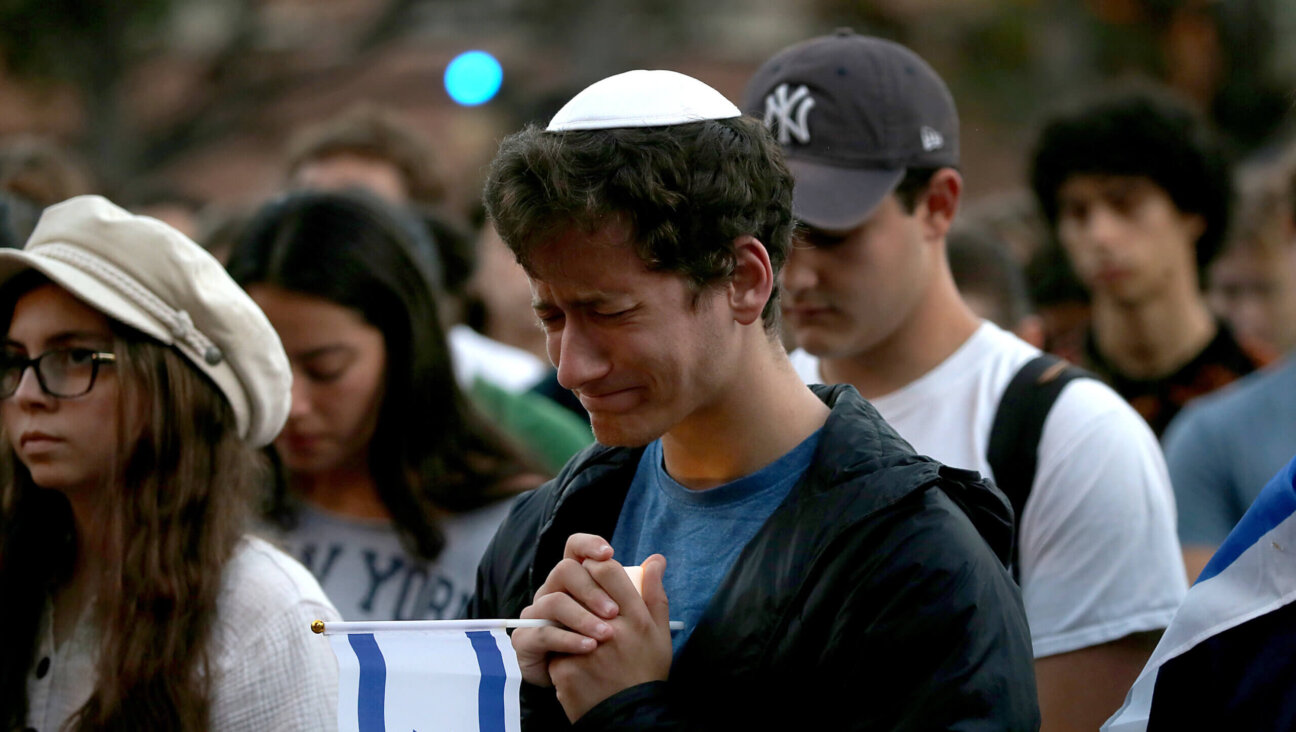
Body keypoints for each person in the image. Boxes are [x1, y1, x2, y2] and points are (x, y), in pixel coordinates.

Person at [470, 69, 1039, 730]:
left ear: (743, 278)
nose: (571, 368)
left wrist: (625, 712)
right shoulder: (540, 532)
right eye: (553, 318)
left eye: (611, 313)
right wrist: (529, 695)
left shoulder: (920, 563)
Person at [743, 31, 1186, 731]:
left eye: (832, 231)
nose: (794, 272)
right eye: (770, 231)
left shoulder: (1069, 435)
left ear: (939, 204)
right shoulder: (735, 425)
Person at [0, 195, 338, 729]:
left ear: (170, 391)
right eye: (15, 360)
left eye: (77, 357)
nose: (26, 394)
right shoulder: (22, 571)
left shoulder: (263, 611)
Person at [226, 190, 549, 621]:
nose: (292, 405)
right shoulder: (214, 507)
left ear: (406, 351)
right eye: (267, 370)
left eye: (326, 369)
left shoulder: (508, 525)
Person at [1029, 84, 1271, 436]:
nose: (1099, 234)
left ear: (1191, 213)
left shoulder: (1263, 388)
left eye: (1125, 204)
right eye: (1077, 212)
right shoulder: (1042, 396)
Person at [1161, 156, 1296, 581]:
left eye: (1262, 290)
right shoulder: (1209, 434)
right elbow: (1208, 634)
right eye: (1230, 291)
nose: (1248, 316)